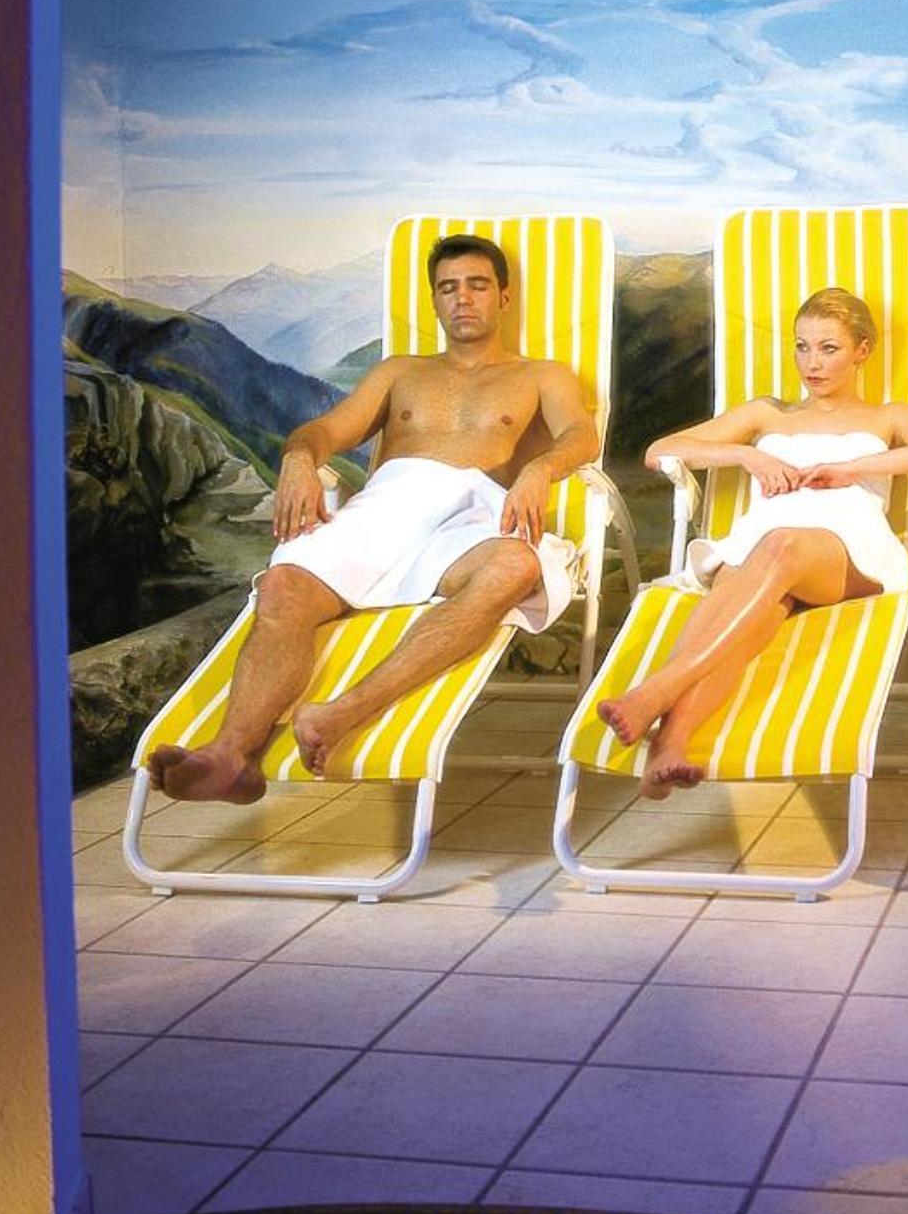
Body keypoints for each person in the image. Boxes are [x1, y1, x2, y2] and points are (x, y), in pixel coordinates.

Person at [146, 234, 599, 803]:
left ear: (503, 297)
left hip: (473, 518)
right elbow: (326, 430)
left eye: (477, 286)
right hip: (386, 507)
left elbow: (581, 434)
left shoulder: (541, 375)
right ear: (435, 301)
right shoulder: (399, 372)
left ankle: (340, 713)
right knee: (284, 585)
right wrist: (299, 457)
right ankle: (230, 755)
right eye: (448, 288)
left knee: (514, 566)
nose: (462, 298)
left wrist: (540, 469)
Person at [598, 286, 908, 796]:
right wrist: (748, 455)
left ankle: (657, 689)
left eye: (829, 348)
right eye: (802, 346)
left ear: (862, 350)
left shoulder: (886, 416)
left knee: (783, 547)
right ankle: (669, 747)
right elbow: (660, 451)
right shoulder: (767, 414)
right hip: (757, 542)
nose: (811, 363)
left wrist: (853, 469)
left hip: (845, 546)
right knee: (752, 611)